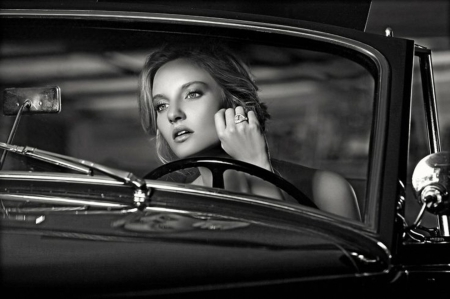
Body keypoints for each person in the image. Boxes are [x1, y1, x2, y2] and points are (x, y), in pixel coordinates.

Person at [138, 43, 361, 220]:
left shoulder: (326, 189)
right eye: (161, 106)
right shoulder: (172, 206)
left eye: (192, 94)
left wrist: (258, 167)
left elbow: (283, 265)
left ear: (233, 102)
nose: (172, 114)